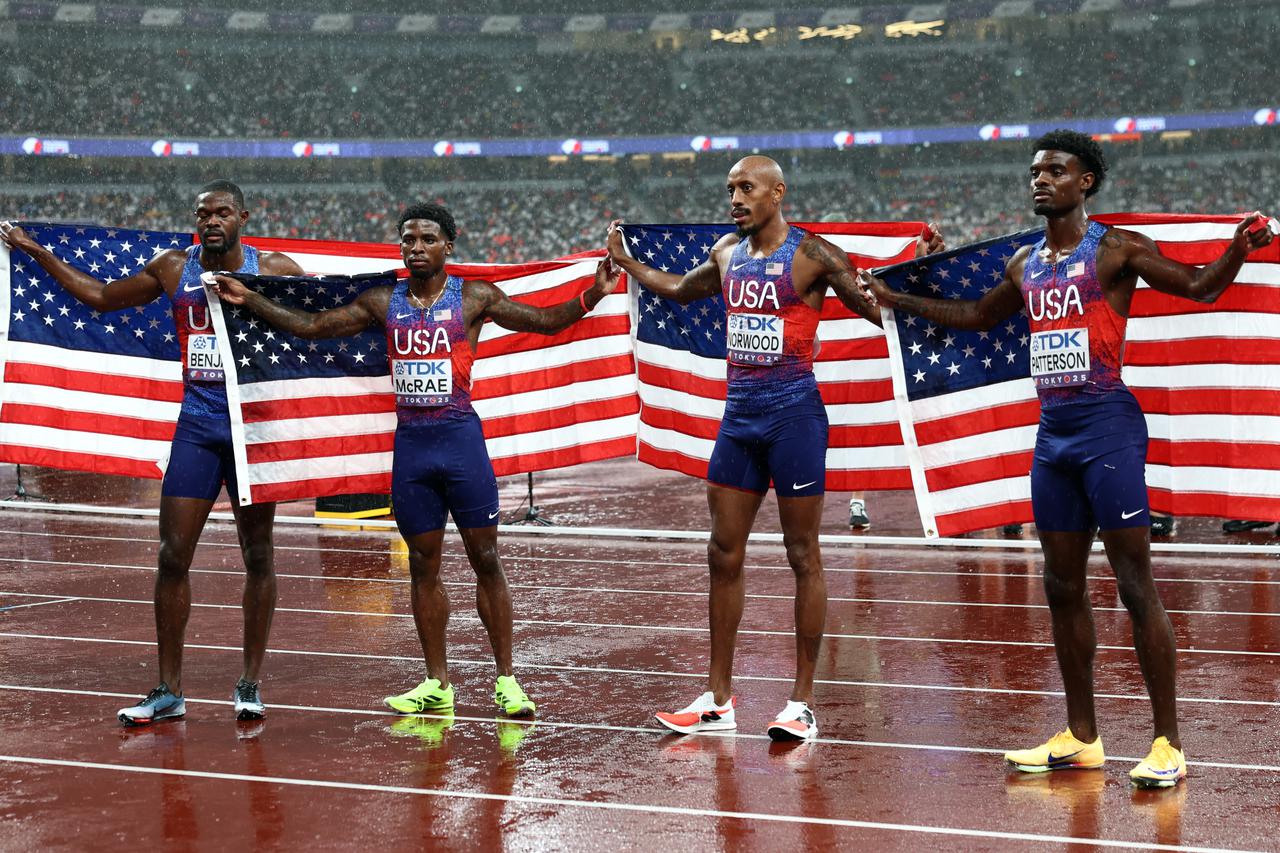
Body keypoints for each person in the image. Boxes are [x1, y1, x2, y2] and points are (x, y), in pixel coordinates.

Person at [860, 129, 1274, 786]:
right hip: (1053, 441)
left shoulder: (1115, 249)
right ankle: (1082, 736)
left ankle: (1168, 742)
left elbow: (1198, 288)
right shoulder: (1026, 265)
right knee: (1061, 588)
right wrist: (898, 299)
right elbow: (973, 316)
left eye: (1055, 169)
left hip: (1108, 428)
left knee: (1136, 586)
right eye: (1035, 170)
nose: (1040, 179)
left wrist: (1236, 251)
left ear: (1086, 182)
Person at [211, 202, 619, 717]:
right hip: (413, 451)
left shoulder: (474, 297)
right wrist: (250, 299)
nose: (416, 248)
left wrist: (593, 293)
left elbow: (543, 322)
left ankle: (507, 681)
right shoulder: (383, 301)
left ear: (449, 244)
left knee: (485, 560)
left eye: (427, 239)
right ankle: (436, 683)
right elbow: (313, 327)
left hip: (461, 444)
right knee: (423, 567)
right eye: (408, 240)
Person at [606, 155, 944, 741]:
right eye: (730, 189)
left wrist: (918, 270)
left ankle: (802, 703)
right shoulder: (726, 255)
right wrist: (626, 261)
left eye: (746, 188)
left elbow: (876, 310)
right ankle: (717, 699)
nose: (734, 199)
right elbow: (680, 292)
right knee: (722, 553)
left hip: (795, 418)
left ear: (777, 193)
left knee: (802, 554)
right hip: (739, 419)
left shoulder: (814, 255)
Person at [1, 180, 305, 725]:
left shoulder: (275, 270)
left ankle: (250, 683)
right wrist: (36, 250)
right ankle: (169, 690)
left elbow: (320, 325)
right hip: (198, 425)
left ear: (243, 216)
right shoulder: (172, 268)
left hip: (250, 428)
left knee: (258, 553)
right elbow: (98, 296)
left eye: (221, 213)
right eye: (202, 214)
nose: (211, 221)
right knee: (171, 555)